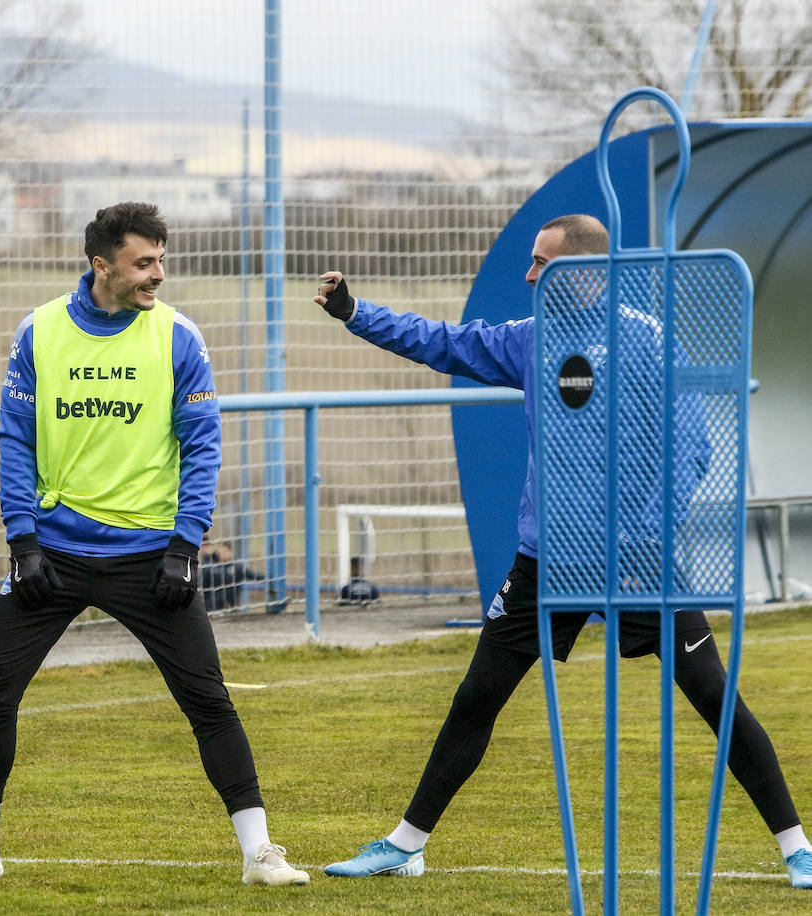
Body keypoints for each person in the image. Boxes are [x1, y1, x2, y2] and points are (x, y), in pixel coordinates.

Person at [313, 213, 812, 890]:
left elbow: (690, 450)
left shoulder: (649, 341)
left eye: (542, 262)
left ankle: (797, 849)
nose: (528, 274)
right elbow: (445, 342)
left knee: (714, 697)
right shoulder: (531, 338)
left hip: (639, 562)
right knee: (477, 697)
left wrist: (640, 535)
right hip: (547, 562)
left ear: (587, 270)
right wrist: (354, 312)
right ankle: (406, 845)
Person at [0, 202, 308, 886]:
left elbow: (203, 445)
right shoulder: (40, 330)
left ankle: (260, 853)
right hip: (52, 554)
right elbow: (15, 438)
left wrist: (186, 544)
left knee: (207, 699)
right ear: (102, 265)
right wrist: (22, 538)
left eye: (160, 260)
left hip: (151, 557)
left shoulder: (178, 336)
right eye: (143, 262)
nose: (157, 274)